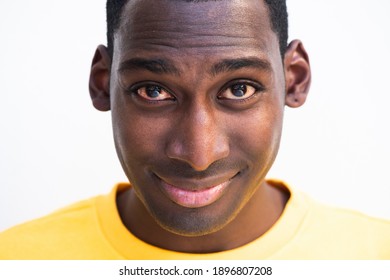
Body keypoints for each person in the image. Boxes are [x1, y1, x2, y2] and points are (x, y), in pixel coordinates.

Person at [0, 0, 389, 259]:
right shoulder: (18, 259)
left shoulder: (375, 255)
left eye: (239, 89)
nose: (199, 155)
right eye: (153, 91)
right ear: (103, 83)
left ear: (295, 79)